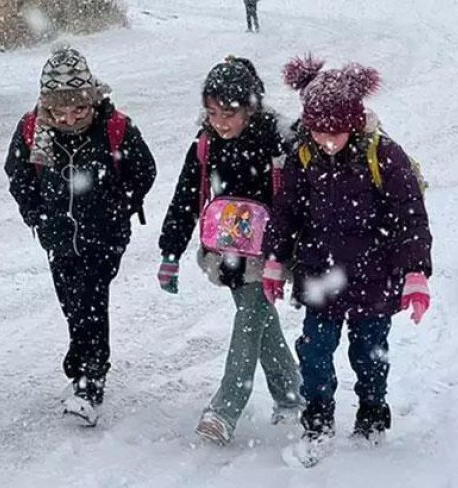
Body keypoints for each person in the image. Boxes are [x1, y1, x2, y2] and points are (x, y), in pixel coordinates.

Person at [263, 54, 433, 460]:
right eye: (318, 131)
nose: (326, 140)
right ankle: (318, 420)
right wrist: (274, 258)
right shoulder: (303, 157)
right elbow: (286, 211)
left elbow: (410, 216)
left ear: (353, 123)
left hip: (374, 279)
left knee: (369, 354)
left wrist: (415, 273)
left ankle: (372, 416)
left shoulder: (384, 157)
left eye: (335, 133)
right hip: (319, 276)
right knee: (315, 353)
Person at [4, 46, 156, 426]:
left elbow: (145, 170)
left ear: (91, 101)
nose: (68, 118)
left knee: (90, 298)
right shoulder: (33, 130)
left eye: (78, 110)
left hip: (103, 236)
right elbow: (17, 175)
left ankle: (90, 380)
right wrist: (34, 213)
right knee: (71, 301)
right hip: (57, 236)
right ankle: (81, 364)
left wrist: (118, 205)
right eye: (59, 111)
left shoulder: (114, 127)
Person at [157, 56, 303, 445]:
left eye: (228, 113)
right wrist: (170, 252)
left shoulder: (278, 139)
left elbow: (303, 195)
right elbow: (186, 197)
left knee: (250, 316)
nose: (220, 122)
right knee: (257, 317)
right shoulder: (206, 144)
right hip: (227, 251)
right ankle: (291, 396)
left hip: (269, 251)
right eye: (212, 112)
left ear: (250, 108)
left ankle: (225, 408)